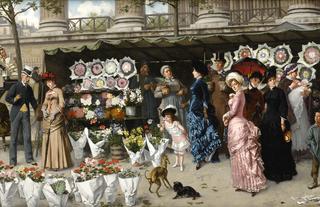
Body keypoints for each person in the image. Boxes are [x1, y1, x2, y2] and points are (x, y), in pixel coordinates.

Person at [222, 72, 266, 196]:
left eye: (236, 84)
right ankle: (242, 183)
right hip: (235, 126)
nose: (234, 86)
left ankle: (252, 185)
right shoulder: (238, 94)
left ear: (239, 83)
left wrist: (226, 114)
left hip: (239, 126)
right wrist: (232, 97)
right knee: (237, 156)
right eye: (232, 84)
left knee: (245, 155)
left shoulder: (240, 94)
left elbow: (234, 111)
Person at [261, 66, 297, 183]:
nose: (272, 82)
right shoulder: (266, 93)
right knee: (268, 146)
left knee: (281, 146)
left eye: (273, 80)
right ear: (267, 81)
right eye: (270, 80)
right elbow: (264, 107)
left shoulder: (280, 92)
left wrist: (282, 121)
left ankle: (282, 171)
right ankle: (271, 171)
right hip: (267, 121)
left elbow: (283, 107)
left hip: (278, 120)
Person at [187, 61, 221, 170]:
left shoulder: (201, 82)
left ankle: (200, 158)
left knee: (199, 134)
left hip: (199, 111)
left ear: (199, 72)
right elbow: (194, 97)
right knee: (194, 134)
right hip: (193, 109)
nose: (192, 72)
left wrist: (205, 111)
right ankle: (198, 157)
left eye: (194, 70)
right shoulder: (197, 81)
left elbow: (206, 98)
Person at [5, 65, 37, 166]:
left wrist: (38, 110)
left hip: (25, 114)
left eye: (29, 77)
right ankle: (12, 161)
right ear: (22, 75)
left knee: (27, 137)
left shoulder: (29, 89)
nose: (28, 78)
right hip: (15, 114)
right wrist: (14, 99)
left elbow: (33, 101)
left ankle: (29, 159)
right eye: (26, 76)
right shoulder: (15, 86)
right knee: (13, 138)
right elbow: (7, 98)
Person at [41, 72, 73, 170]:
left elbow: (62, 104)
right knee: (48, 139)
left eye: (50, 82)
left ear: (53, 81)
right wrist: (43, 110)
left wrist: (54, 113)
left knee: (55, 138)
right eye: (47, 82)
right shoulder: (47, 93)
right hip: (48, 118)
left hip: (57, 116)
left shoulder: (58, 90)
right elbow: (45, 103)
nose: (48, 84)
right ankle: (49, 163)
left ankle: (58, 164)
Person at [279, 63, 311, 160]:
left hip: (300, 109)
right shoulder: (283, 82)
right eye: (294, 72)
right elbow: (281, 95)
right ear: (289, 72)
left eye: (296, 72)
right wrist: (291, 87)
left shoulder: (298, 80)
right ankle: (291, 153)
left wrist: (305, 93)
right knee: (292, 129)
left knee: (301, 128)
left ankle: (301, 151)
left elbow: (304, 94)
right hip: (290, 109)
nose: (296, 74)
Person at [210, 53, 231, 159]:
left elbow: (233, 89)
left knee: (227, 127)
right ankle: (217, 151)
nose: (218, 65)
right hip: (216, 104)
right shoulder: (212, 76)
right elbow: (208, 91)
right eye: (216, 63)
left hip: (226, 104)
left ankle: (228, 150)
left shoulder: (228, 75)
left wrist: (226, 88)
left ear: (223, 64)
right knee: (216, 127)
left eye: (220, 63)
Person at [159, 105, 190, 172]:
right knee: (176, 152)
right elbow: (161, 130)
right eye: (165, 116)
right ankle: (177, 163)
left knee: (181, 153)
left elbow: (183, 129)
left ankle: (181, 165)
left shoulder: (175, 123)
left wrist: (183, 131)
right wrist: (161, 125)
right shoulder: (165, 123)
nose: (166, 118)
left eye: (168, 117)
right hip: (175, 140)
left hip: (181, 139)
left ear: (172, 117)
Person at [306, 111, 320, 189]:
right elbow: (308, 140)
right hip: (316, 151)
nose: (317, 118)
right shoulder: (312, 128)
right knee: (314, 168)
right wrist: (313, 147)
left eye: (319, 116)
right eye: (316, 116)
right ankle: (315, 182)